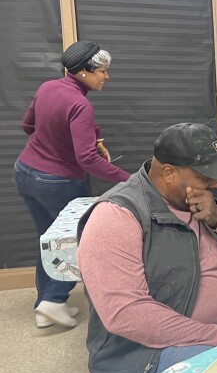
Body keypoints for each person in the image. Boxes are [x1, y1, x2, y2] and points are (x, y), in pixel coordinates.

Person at [76, 123, 217, 373]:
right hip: (156, 345)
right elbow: (128, 314)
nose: (214, 184)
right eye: (205, 177)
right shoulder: (116, 215)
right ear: (168, 173)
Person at [14, 41, 130, 330]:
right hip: (58, 182)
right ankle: (53, 300)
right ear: (83, 72)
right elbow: (88, 159)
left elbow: (29, 127)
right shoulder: (80, 104)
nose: (106, 76)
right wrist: (127, 179)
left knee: (47, 236)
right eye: (102, 71)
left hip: (25, 172)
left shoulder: (48, 88)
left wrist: (84, 136)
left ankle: (47, 304)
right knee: (69, 241)